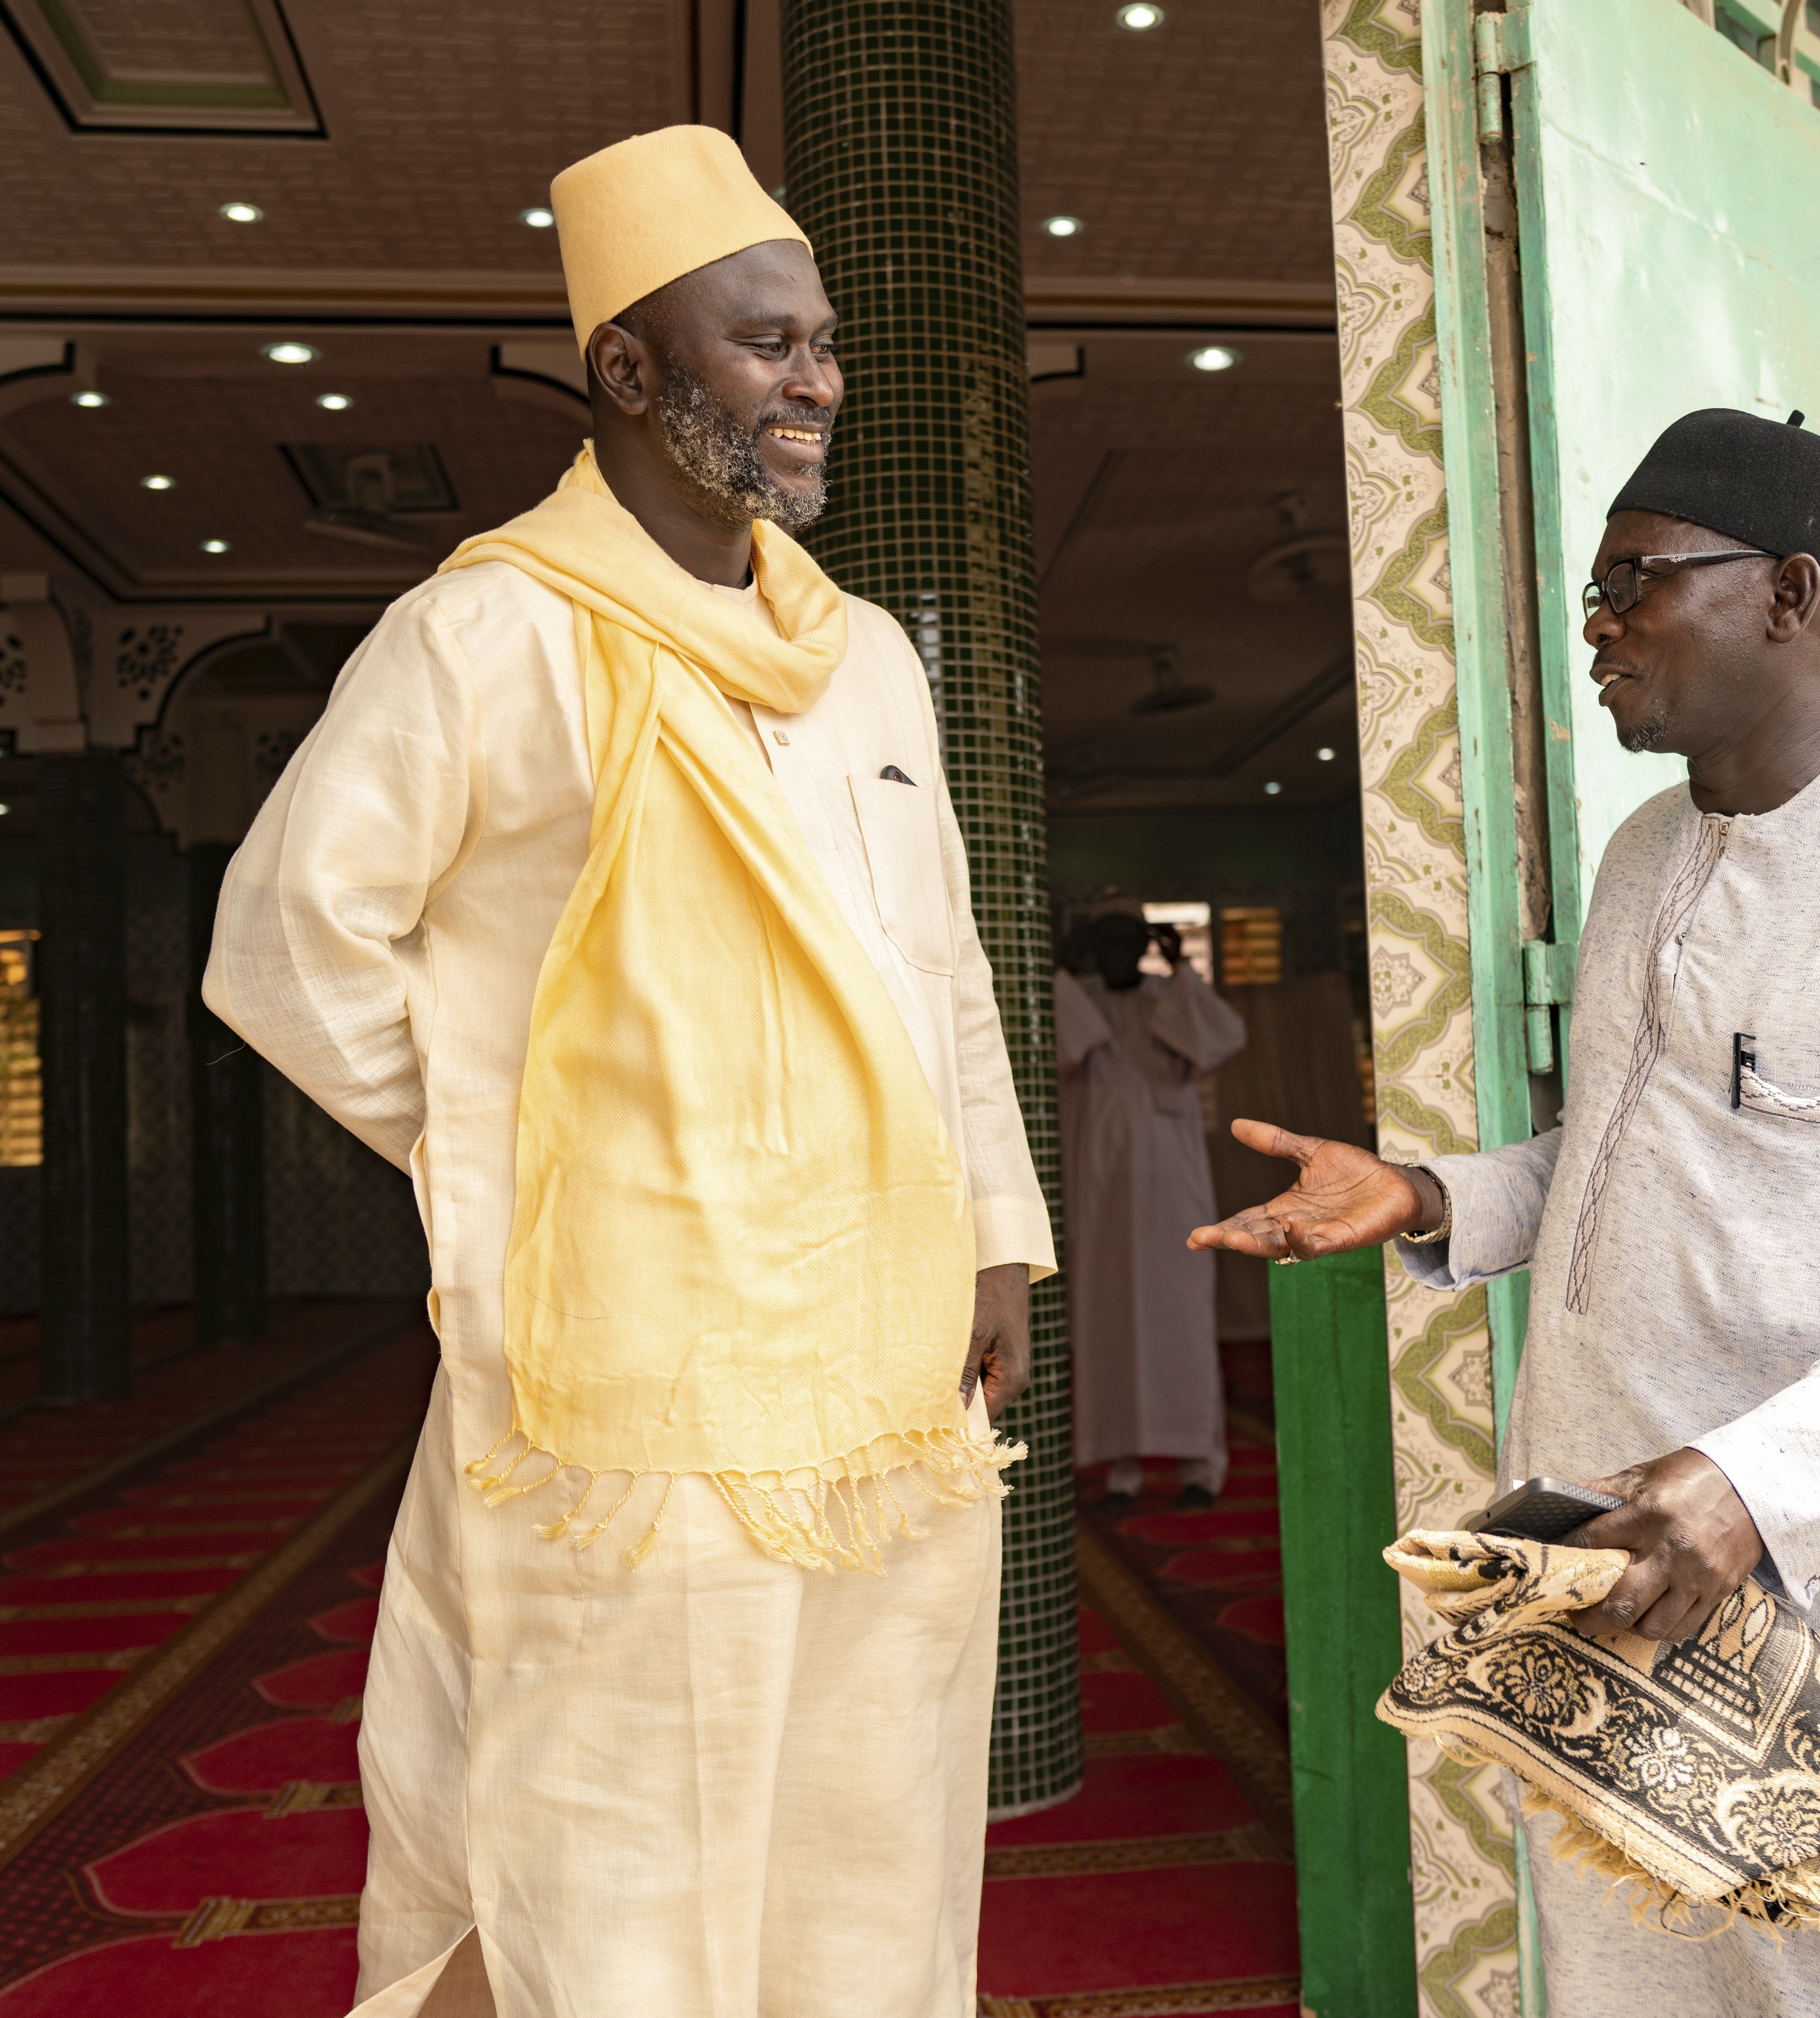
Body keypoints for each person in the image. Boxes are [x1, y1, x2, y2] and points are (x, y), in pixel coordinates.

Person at [206, 126, 1056, 2018]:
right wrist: (524, 1164)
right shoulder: (484, 629)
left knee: (871, 1804)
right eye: (766, 341)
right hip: (626, 1367)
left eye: (823, 339)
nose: (817, 377)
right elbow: (286, 937)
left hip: (884, 1350)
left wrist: (995, 1230)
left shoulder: (863, 663)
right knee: (622, 1822)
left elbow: (939, 966)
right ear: (629, 369)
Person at [1191, 409, 1820, 2014]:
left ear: (1786, 594)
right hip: (1608, 1602)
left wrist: (1756, 1483)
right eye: (1595, 592)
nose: (1599, 626)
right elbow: (1621, 1158)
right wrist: (1424, 1192)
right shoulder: (1639, 859)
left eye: (1637, 581)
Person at [1055, 912, 1246, 1509]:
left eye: (1127, 940)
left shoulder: (1173, 996)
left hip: (1174, 1190)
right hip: (1102, 1192)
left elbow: (1224, 1038)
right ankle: (1124, 1470)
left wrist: (1183, 964)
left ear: (1145, 945)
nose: (1116, 952)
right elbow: (1066, 1046)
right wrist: (1063, 961)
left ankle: (1200, 1464)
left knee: (1182, 1321)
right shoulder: (1077, 999)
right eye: (1103, 940)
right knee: (1108, 1323)